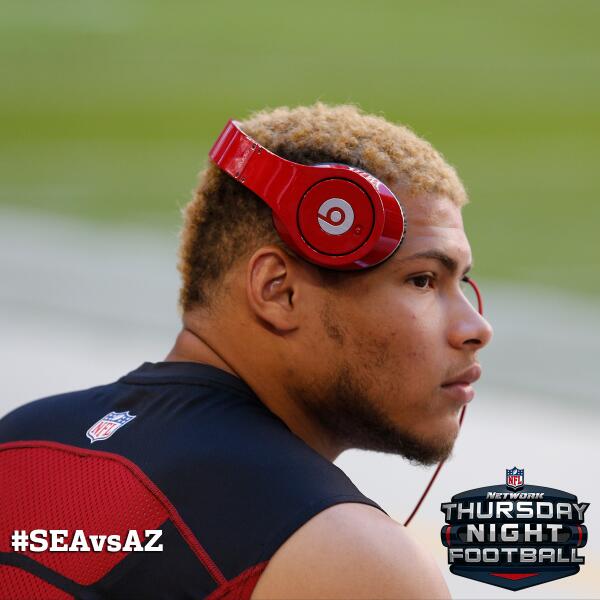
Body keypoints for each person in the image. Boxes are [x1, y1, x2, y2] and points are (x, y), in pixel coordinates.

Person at [0, 103, 493, 599]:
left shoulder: (19, 436)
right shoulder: (353, 560)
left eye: (463, 284)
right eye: (423, 280)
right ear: (279, 292)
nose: (476, 328)